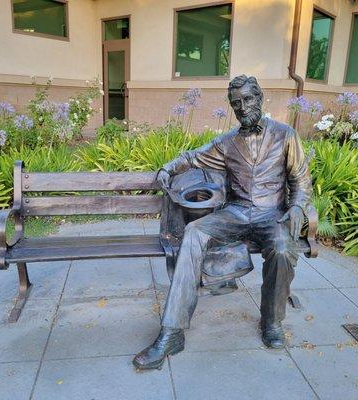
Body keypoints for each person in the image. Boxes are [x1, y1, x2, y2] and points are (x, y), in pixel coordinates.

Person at [133, 75, 313, 370]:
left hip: (272, 215)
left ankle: (272, 321)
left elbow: (301, 180)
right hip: (236, 213)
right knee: (193, 232)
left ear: (260, 98)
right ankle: (171, 332)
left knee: (282, 248)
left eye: (248, 100)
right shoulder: (227, 143)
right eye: (236, 103)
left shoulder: (286, 135)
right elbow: (193, 158)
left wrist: (296, 208)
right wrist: (168, 167)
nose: (242, 108)